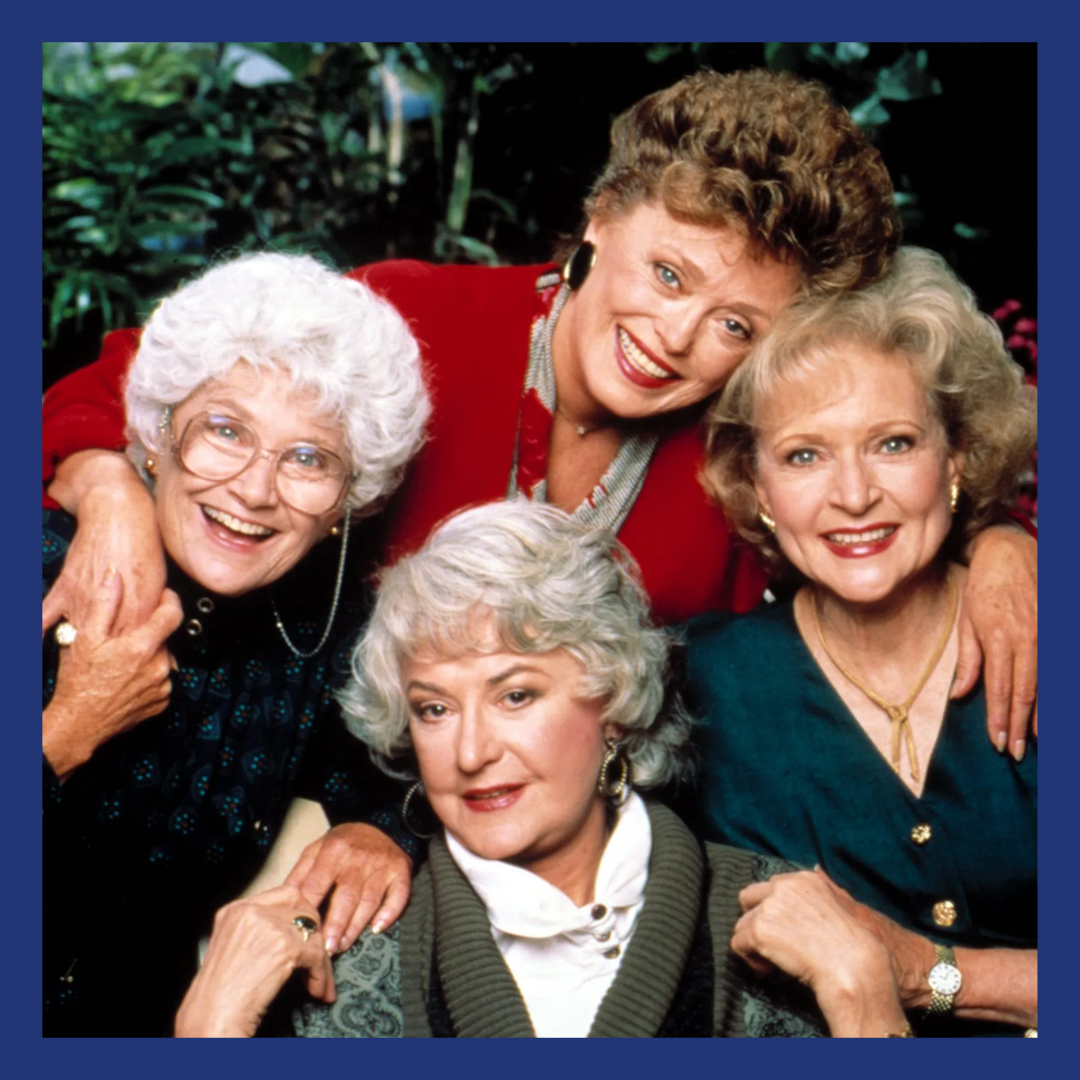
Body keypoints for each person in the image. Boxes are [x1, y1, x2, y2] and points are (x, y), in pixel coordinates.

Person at [42, 68, 1036, 751]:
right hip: (316, 785)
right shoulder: (414, 314)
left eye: (736, 324)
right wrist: (112, 497)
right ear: (601, 220)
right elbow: (130, 386)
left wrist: (1000, 549)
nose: (677, 336)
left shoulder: (744, 453)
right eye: (667, 272)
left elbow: (877, 503)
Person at [175, 500, 914, 1039]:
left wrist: (865, 1003)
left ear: (616, 700)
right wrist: (209, 1029)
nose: (470, 753)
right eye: (433, 710)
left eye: (516, 695)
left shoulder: (790, 928)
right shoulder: (336, 959)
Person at [42, 253, 430, 1035]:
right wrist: (67, 730)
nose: (256, 491)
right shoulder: (46, 568)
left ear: (347, 500)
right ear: (154, 436)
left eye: (308, 459)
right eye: (225, 431)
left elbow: (399, 770)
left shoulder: (318, 625)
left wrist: (377, 832)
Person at [682, 247, 1037, 1036]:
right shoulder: (696, 685)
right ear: (757, 485)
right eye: (804, 455)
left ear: (959, 457)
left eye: (893, 443)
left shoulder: (1039, 626)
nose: (852, 495)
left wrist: (926, 973)